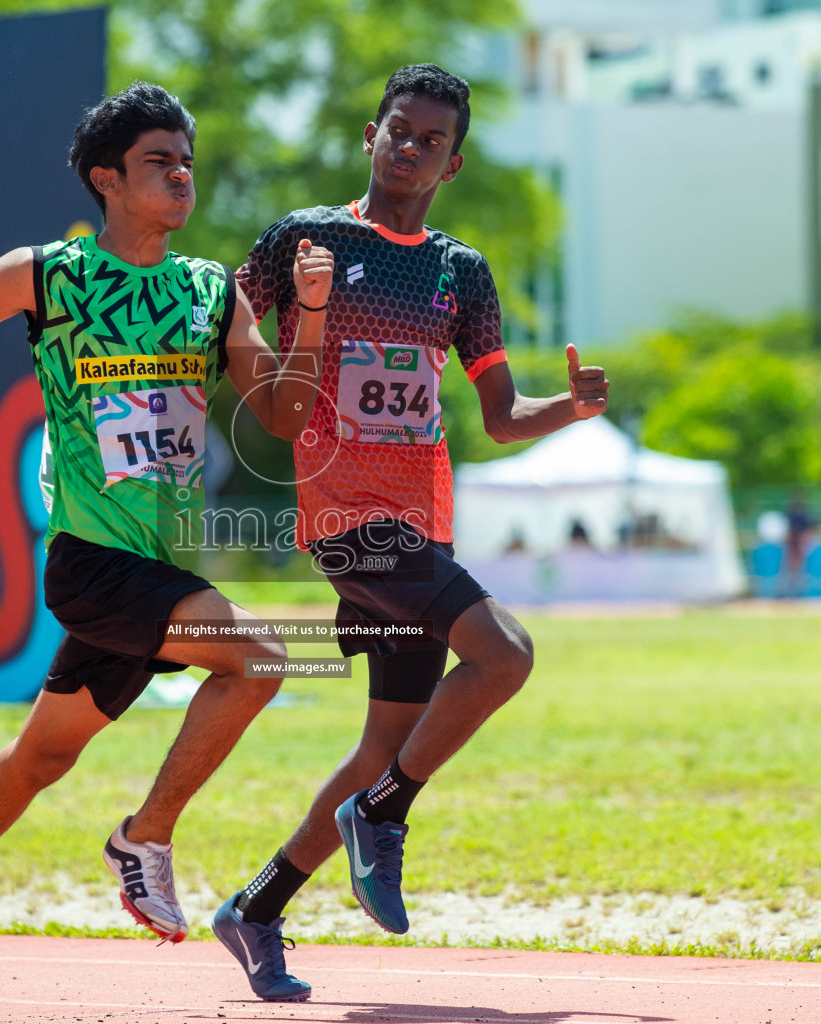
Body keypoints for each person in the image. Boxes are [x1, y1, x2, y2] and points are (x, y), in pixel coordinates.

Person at [0, 82, 335, 1016]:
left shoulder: (210, 291)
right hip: (92, 563)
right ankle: (145, 836)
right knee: (264, 660)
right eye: (160, 162)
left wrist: (312, 314)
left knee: (39, 761)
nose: (181, 176)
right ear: (106, 179)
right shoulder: (49, 275)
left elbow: (283, 414)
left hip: (162, 570)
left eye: (186, 161)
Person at [210, 64, 610, 1003]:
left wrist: (572, 410)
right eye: (400, 129)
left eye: (432, 140)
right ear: (370, 133)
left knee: (385, 741)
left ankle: (258, 907)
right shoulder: (305, 238)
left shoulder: (459, 272)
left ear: (453, 164)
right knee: (504, 656)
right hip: (347, 521)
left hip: (421, 521)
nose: (411, 146)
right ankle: (381, 819)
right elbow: (220, 310)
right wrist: (270, 383)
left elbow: (502, 414)